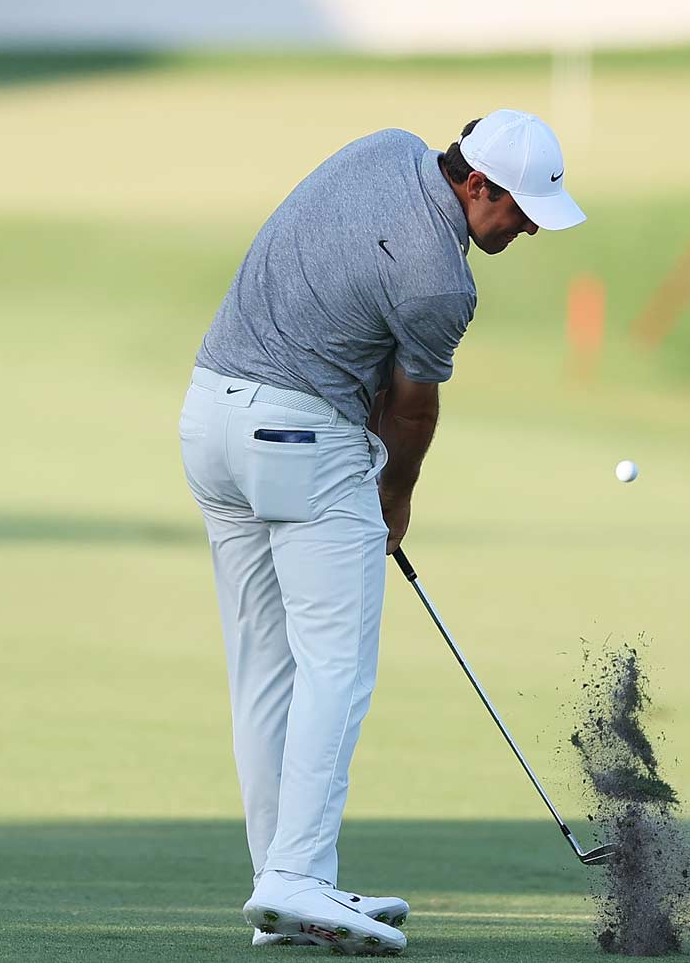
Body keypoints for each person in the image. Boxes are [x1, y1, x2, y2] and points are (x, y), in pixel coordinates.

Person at [178, 110, 585, 954]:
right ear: (476, 185)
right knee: (336, 664)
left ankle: (286, 880)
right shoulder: (444, 284)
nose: (528, 228)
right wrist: (393, 500)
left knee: (265, 665)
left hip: (209, 418)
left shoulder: (383, 148)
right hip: (299, 439)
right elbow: (411, 405)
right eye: (518, 209)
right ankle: (295, 877)